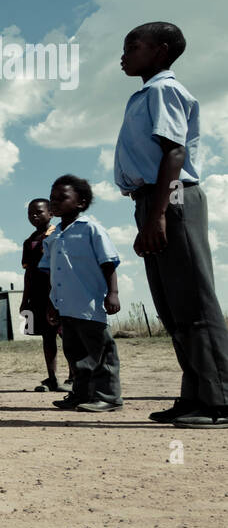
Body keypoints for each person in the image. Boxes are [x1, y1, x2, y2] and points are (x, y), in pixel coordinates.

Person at [115, 21, 228, 427]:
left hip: (174, 197)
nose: (123, 54)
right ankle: (196, 394)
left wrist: (160, 212)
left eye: (134, 46)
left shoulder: (164, 89)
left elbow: (175, 152)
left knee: (194, 301)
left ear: (161, 51)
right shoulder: (145, 93)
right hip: (153, 198)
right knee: (173, 305)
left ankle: (221, 400)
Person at [40, 176, 122, 412]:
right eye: (52, 198)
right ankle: (81, 394)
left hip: (89, 303)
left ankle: (109, 397)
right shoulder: (53, 236)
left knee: (100, 352)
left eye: (62, 198)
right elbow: (50, 274)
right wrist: (51, 304)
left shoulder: (91, 229)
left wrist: (113, 293)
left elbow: (108, 263)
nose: (54, 202)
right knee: (75, 354)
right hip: (64, 305)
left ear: (80, 202)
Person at [19, 197, 73, 393]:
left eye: (39, 212)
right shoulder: (28, 242)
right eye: (30, 213)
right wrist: (25, 300)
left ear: (51, 213)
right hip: (38, 295)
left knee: (66, 336)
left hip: (58, 292)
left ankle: (73, 377)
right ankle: (51, 378)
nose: (34, 216)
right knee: (47, 337)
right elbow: (28, 273)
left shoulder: (59, 235)